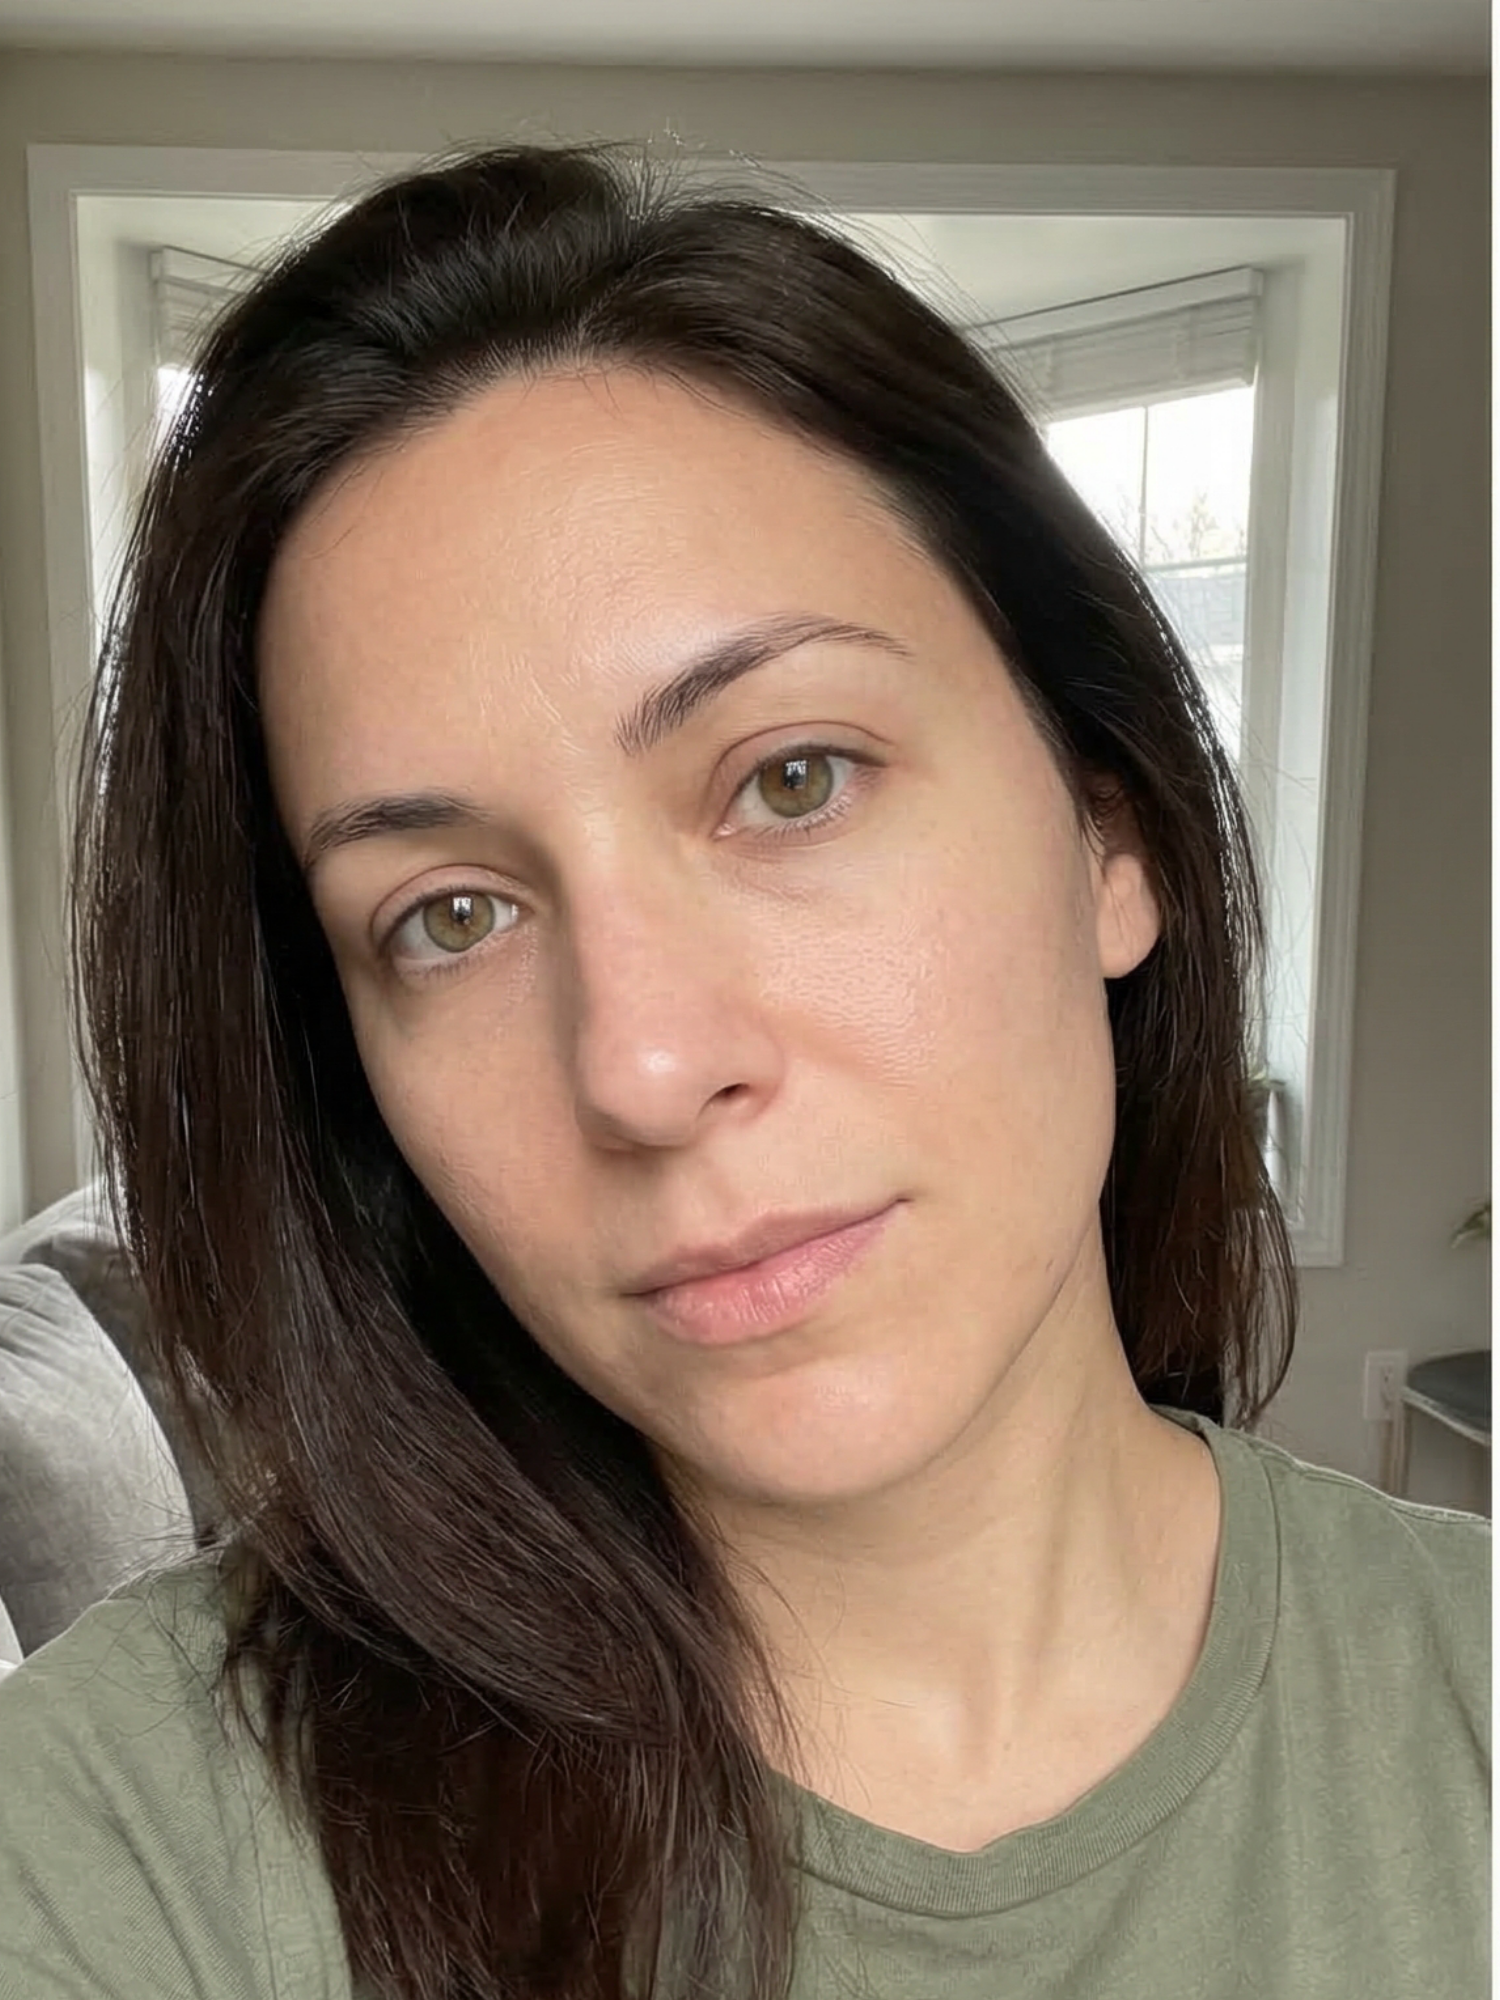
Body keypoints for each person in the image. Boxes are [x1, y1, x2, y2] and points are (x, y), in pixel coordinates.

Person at [0, 143, 1486, 2000]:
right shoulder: (114, 1844)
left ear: (1111, 834)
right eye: (449, 916)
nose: (642, 1065)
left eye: (793, 780)